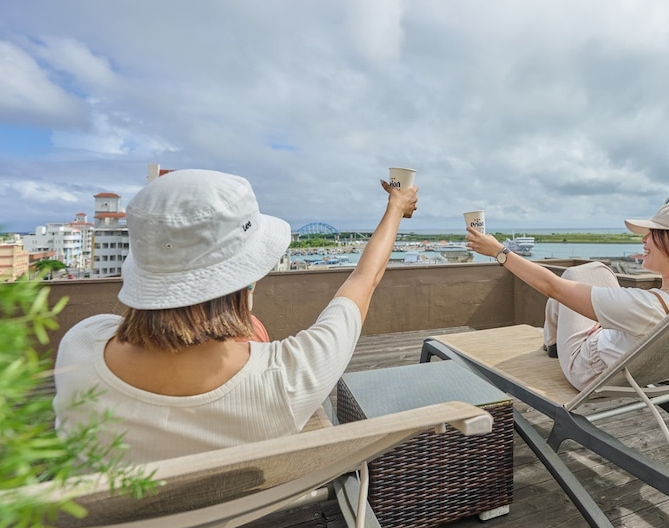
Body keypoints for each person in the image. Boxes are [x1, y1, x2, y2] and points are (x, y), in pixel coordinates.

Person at [53, 169, 418, 463]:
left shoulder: (80, 347)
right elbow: (364, 280)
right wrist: (395, 208)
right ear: (246, 278)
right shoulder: (287, 378)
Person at [466, 201, 669, 390]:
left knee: (574, 277)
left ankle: (553, 342)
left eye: (654, 233)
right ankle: (553, 339)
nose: (644, 239)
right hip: (627, 363)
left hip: (586, 367)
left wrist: (500, 252)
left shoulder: (647, 307)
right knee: (598, 270)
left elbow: (552, 287)